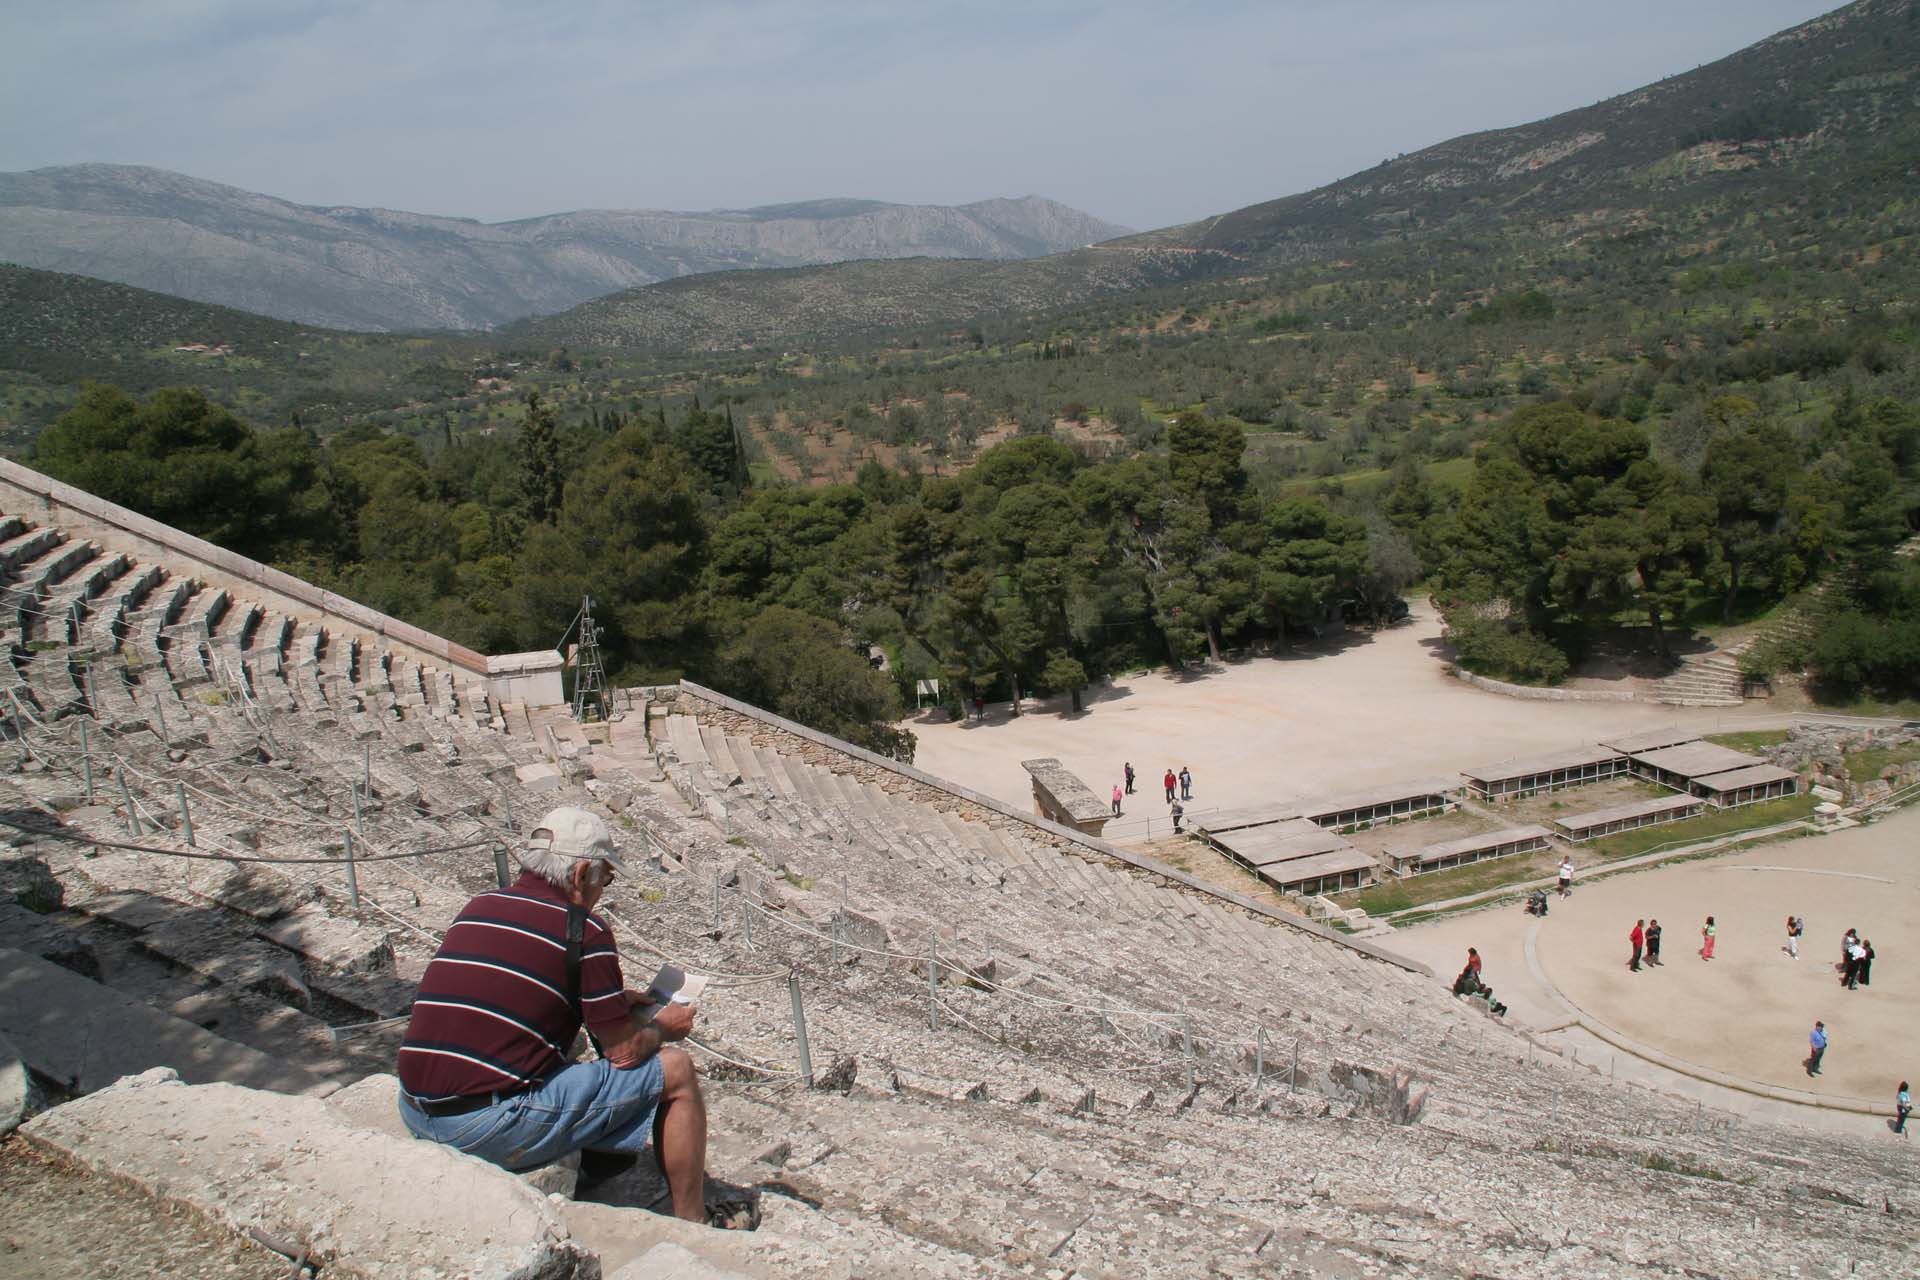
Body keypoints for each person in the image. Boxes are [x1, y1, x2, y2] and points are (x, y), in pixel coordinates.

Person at [397, 807, 714, 1224]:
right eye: (607, 877)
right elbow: (622, 1053)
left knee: (569, 1056)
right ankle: (695, 1223)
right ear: (582, 873)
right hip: (481, 1125)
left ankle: (602, 1161)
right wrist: (663, 1028)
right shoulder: (585, 930)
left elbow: (515, 990)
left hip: (415, 1107)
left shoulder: (481, 904)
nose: (606, 888)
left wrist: (613, 1000)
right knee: (676, 1070)